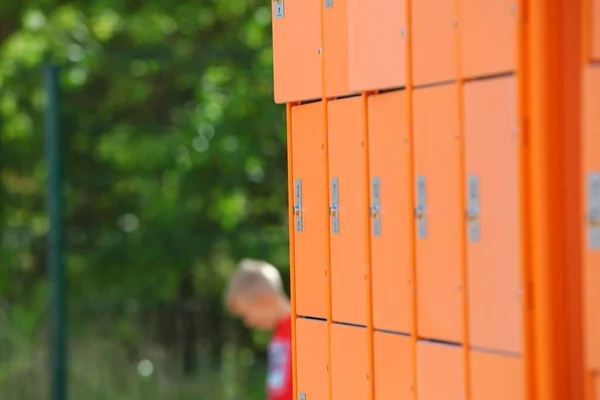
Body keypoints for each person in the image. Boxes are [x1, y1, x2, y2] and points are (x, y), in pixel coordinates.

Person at [223, 258, 292, 400]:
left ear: (265, 300)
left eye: (246, 314)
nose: (248, 323)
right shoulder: (279, 334)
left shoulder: (301, 332)